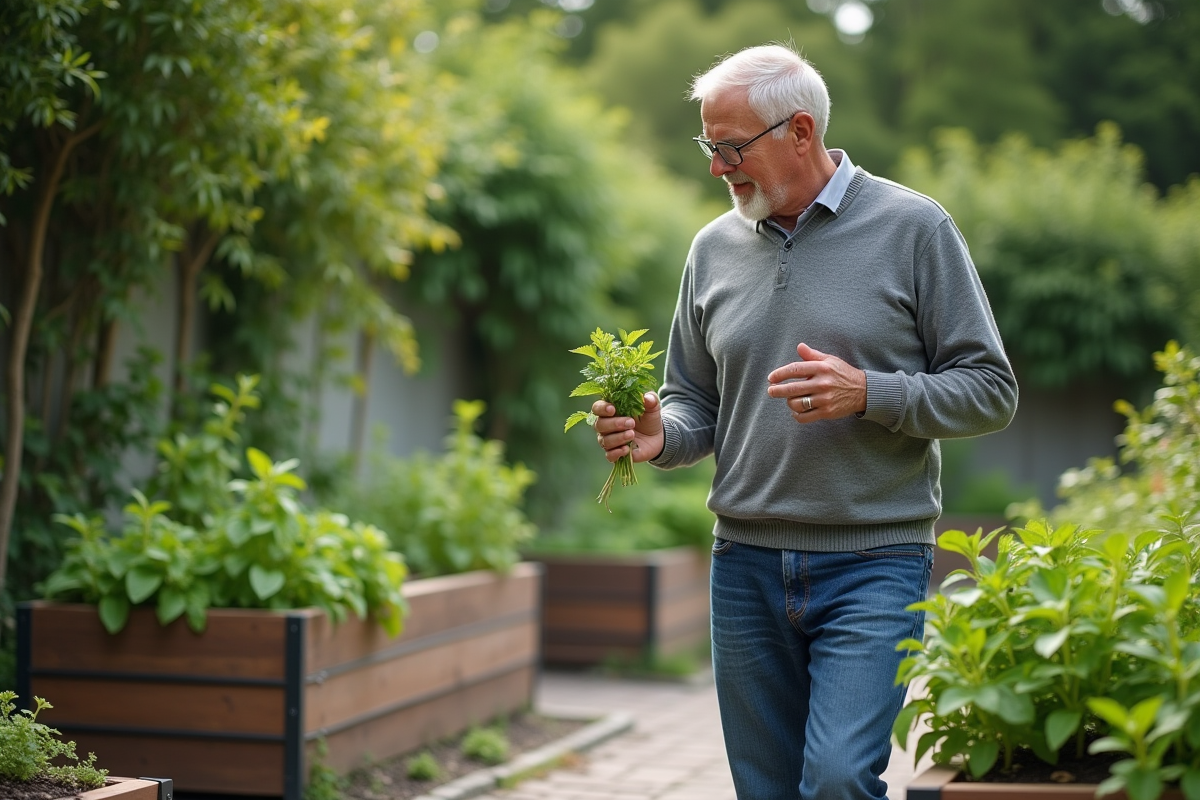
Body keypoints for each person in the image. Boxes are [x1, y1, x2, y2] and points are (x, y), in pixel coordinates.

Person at [590, 44, 1018, 800]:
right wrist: (663, 437)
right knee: (765, 789)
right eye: (708, 145)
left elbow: (990, 390)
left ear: (800, 131)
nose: (716, 167)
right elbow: (693, 399)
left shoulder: (915, 228)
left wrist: (871, 393)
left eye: (730, 146)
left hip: (875, 560)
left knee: (837, 779)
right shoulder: (712, 248)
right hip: (745, 564)